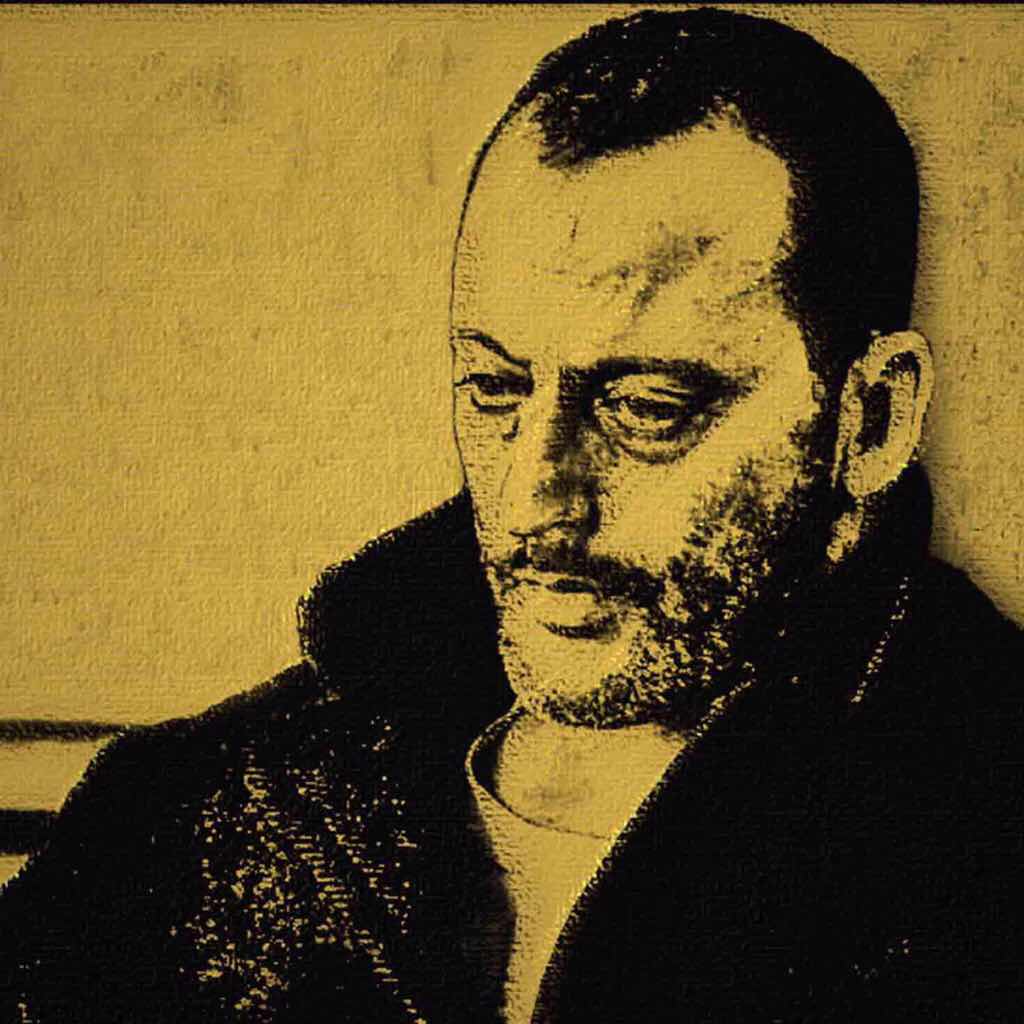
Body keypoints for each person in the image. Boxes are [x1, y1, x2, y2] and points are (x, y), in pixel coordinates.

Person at [2, 8, 1022, 1022]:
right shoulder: (194, 813)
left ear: (871, 419)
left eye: (646, 409)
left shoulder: (985, 832)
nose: (534, 496)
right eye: (494, 390)